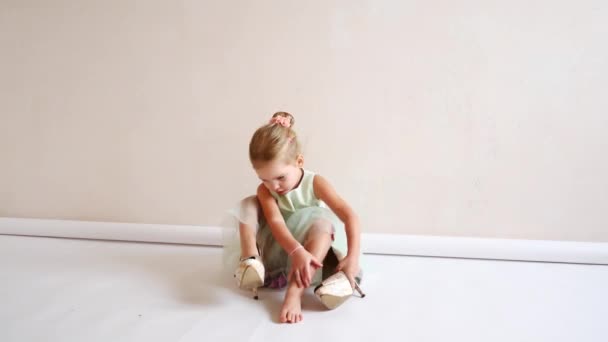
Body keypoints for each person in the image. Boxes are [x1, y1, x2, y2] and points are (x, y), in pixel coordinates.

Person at [223, 111, 364, 324]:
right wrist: (295, 251)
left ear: (299, 161)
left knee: (322, 224)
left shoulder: (315, 183)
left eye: (280, 177)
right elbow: (276, 222)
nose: (273, 187)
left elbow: (350, 216)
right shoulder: (265, 190)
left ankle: (297, 292)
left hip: (313, 250)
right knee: (248, 204)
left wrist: (352, 257)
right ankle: (251, 260)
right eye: (264, 179)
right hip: (281, 246)